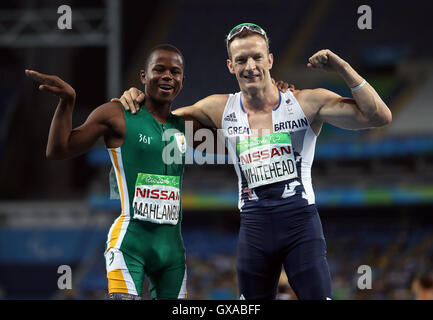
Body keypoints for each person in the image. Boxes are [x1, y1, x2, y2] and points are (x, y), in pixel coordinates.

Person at [117, 23, 392, 300]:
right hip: (254, 229)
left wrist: (343, 67)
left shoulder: (306, 103)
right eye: (241, 60)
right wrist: (138, 97)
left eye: (257, 57)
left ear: (269, 60)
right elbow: (160, 121)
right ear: (230, 66)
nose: (250, 66)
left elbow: (378, 117)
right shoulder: (219, 107)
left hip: (301, 226)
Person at [26, 44, 191, 300]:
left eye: (175, 71)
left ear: (182, 80)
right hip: (130, 243)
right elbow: (59, 149)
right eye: (159, 69)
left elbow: (239, 113)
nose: (168, 75)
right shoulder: (117, 114)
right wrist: (67, 101)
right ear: (143, 76)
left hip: (173, 251)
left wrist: (275, 96)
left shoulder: (185, 123)